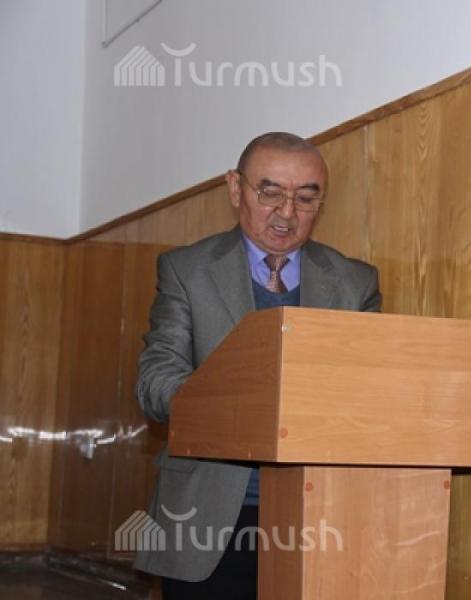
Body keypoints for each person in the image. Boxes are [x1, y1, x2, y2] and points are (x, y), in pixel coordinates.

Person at [133, 132, 381, 598]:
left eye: (305, 198)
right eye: (270, 193)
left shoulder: (355, 283)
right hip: (207, 518)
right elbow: (156, 381)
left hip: (319, 517)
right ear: (235, 188)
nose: (286, 213)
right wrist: (240, 407)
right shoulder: (187, 270)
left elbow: (366, 393)